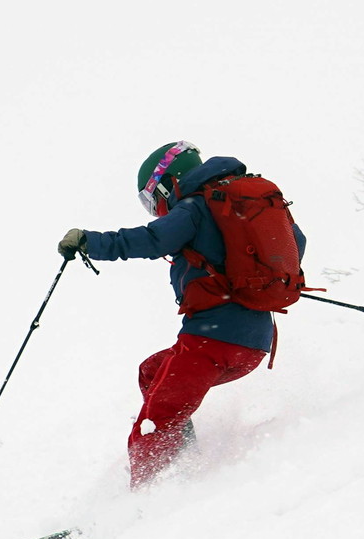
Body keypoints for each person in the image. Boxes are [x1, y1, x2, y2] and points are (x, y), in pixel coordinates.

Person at [58, 141, 306, 489]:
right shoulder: (242, 203)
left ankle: (143, 502)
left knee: (154, 421)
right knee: (152, 371)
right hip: (253, 343)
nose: (159, 210)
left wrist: (91, 241)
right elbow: (297, 242)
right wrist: (251, 275)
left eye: (154, 200)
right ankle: (182, 462)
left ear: (169, 183)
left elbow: (152, 240)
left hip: (211, 341)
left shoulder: (193, 207)